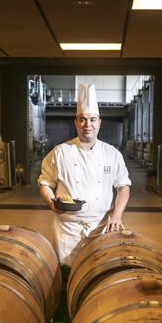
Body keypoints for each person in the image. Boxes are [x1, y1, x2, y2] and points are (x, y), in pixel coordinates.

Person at [38, 83, 131, 267]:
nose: (87, 125)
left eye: (92, 119)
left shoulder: (112, 154)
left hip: (101, 226)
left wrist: (117, 215)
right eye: (82, 119)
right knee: (66, 273)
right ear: (76, 123)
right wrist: (51, 203)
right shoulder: (60, 152)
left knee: (98, 273)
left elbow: (123, 187)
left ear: (99, 122)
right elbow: (44, 183)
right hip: (67, 229)